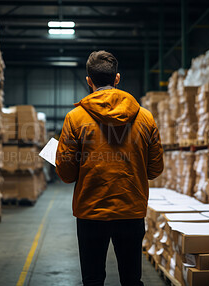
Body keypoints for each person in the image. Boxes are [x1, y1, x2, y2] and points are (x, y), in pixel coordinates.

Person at [55, 50, 164, 286]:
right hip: (131, 210)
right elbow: (155, 170)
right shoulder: (145, 118)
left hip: (90, 211)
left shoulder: (75, 119)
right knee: (131, 279)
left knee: (93, 280)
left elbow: (66, 174)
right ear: (117, 79)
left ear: (89, 81)